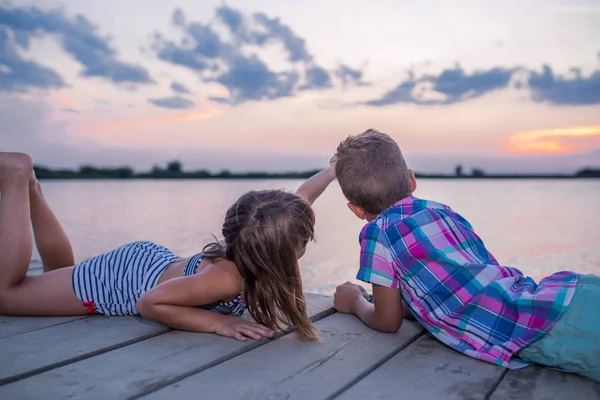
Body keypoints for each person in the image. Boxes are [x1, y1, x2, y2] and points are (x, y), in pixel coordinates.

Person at [331, 129, 600, 382]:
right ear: (411, 180)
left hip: (539, 331)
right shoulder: (442, 212)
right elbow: (477, 275)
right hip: (560, 295)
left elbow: (387, 322)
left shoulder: (377, 233)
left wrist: (355, 302)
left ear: (355, 209)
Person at [0, 152, 336, 343]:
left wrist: (334, 168)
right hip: (121, 281)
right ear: (284, 252)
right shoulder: (226, 280)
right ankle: (14, 178)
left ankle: (29, 184)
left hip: (148, 262)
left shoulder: (248, 245)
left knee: (58, 274)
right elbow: (150, 303)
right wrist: (219, 324)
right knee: (8, 296)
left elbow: (304, 195)